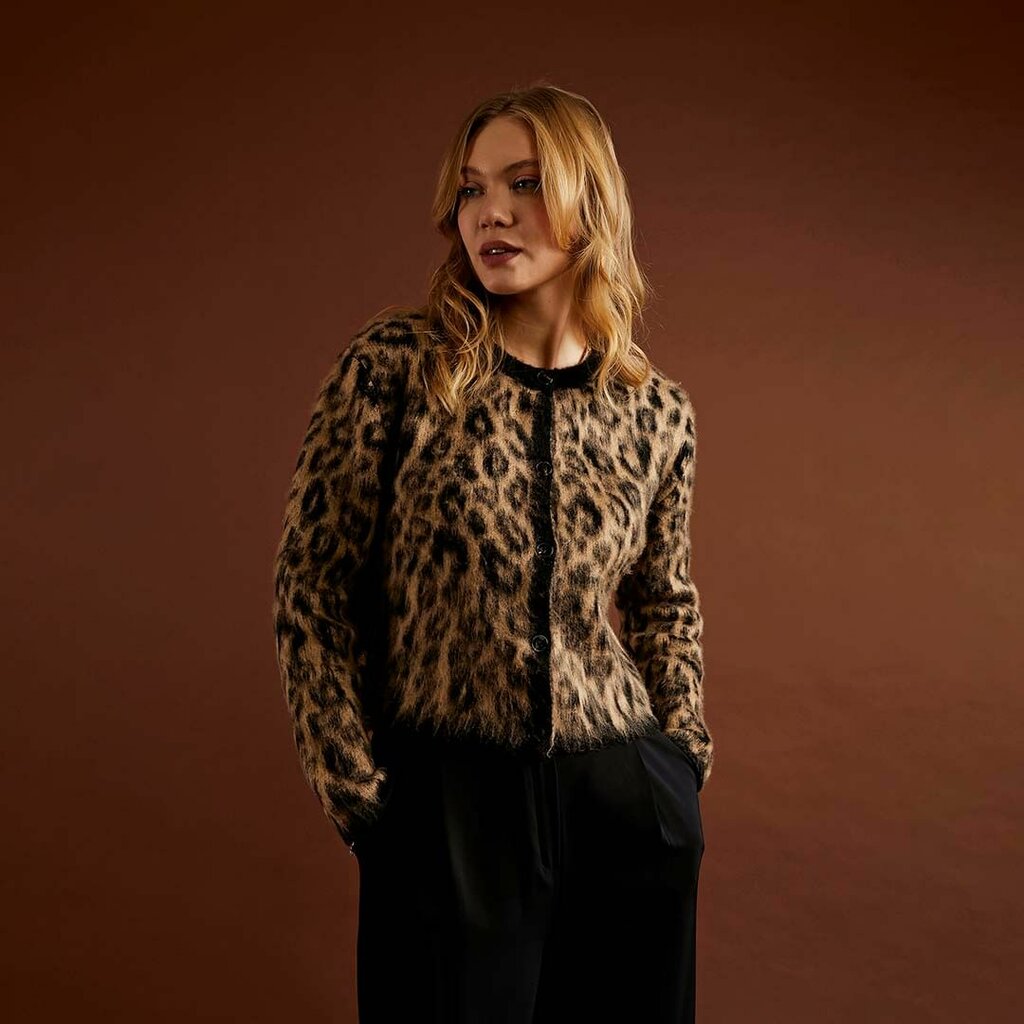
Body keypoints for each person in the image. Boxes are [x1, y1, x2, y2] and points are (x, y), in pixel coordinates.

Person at [272, 82, 713, 1023]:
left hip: (623, 802)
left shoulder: (653, 409)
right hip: (450, 801)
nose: (492, 213)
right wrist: (360, 796)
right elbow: (313, 587)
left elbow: (664, 603)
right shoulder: (396, 369)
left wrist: (680, 762)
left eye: (525, 182)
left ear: (591, 200)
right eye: (472, 189)